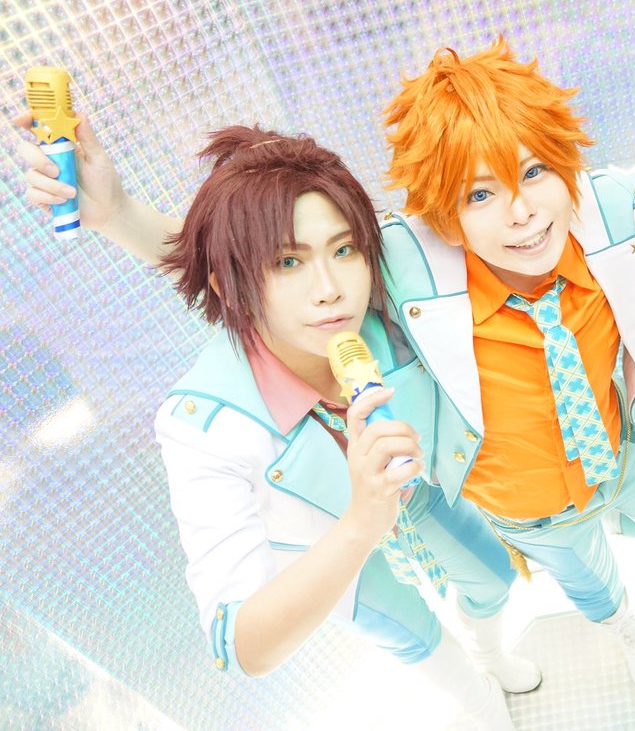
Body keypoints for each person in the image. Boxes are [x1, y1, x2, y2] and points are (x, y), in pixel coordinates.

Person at [17, 122, 538, 731]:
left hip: (416, 490)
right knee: (412, 633)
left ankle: (490, 653)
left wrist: (116, 213)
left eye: (345, 250)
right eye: (289, 262)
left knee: (495, 574)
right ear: (232, 285)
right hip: (324, 541)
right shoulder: (203, 425)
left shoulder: (393, 292)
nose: (330, 291)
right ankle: (477, 701)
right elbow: (240, 645)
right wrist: (361, 524)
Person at [377, 39, 635, 711]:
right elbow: (281, 260)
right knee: (597, 591)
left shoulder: (611, 217)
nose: (521, 212)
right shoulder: (408, 274)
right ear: (443, 217)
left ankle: (609, 525)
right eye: (480, 193)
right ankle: (631, 630)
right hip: (530, 509)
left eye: (534, 172)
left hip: (625, 455)